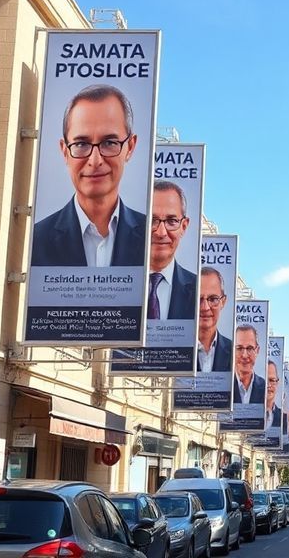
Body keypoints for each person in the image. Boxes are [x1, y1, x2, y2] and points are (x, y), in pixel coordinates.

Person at [32, 84, 146, 267]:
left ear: (130, 147)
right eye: (81, 144)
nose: (95, 160)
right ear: (64, 151)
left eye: (109, 142)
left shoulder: (152, 238)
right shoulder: (36, 240)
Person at [147, 181, 196, 320]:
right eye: (152, 220)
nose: (161, 232)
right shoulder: (115, 286)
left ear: (184, 226)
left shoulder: (198, 290)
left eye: (171, 221)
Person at [196, 267, 231, 373]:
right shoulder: (176, 348)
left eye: (213, 299)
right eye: (199, 299)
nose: (205, 307)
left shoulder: (234, 352)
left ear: (223, 302)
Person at [233, 324, 266, 403]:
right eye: (239, 348)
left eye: (249, 348)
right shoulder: (224, 385)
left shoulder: (265, 387)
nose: (244, 355)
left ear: (257, 350)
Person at [264, 360, 282, 430]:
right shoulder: (247, 414)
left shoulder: (283, 417)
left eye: (272, 380)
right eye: (265, 380)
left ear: (277, 383)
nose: (268, 385)